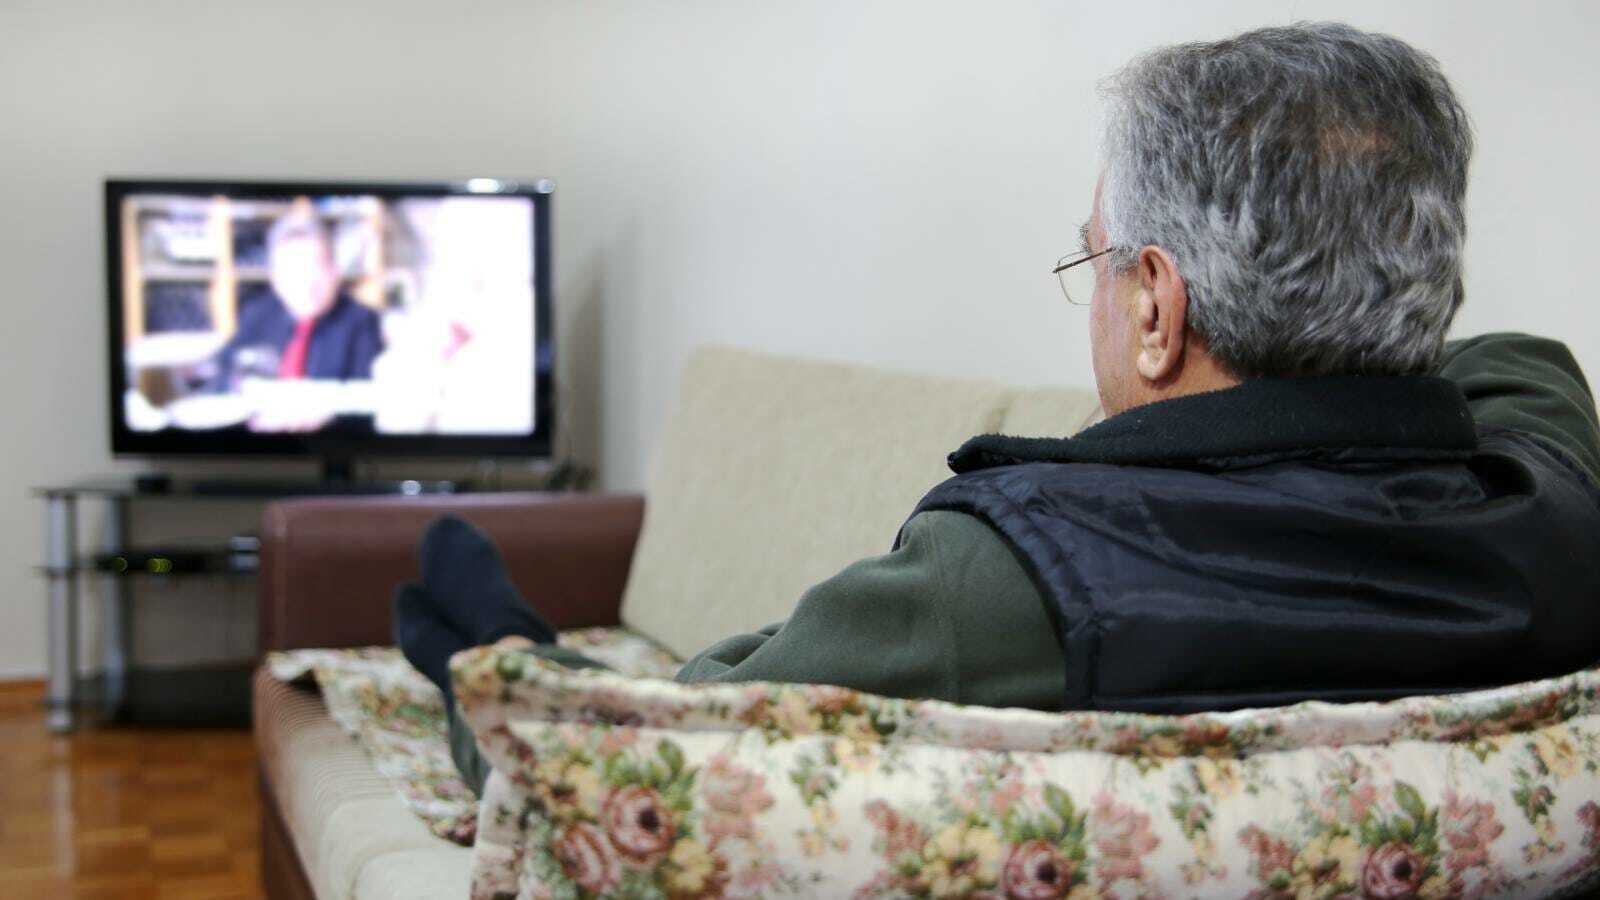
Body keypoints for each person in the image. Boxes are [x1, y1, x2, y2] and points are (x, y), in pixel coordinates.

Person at [395, 22, 1600, 796]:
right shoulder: (1554, 515)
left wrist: (483, 680)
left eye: (1100, 261)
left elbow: (612, 764)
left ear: (1155, 313)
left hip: (606, 721)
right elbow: (1514, 358)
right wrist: (1357, 295)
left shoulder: (1016, 582)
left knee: (458, 614)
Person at [209, 210, 383, 401]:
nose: (306, 282)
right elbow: (224, 370)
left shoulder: (363, 321)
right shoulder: (257, 313)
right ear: (275, 278)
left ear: (335, 272)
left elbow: (365, 399)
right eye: (292, 270)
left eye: (315, 268)